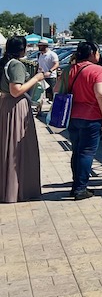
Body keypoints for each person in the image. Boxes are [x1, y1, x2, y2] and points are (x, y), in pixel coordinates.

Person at [0, 36, 45, 202]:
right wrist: (36, 78)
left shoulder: (5, 63)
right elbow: (16, 90)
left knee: (8, 147)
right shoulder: (16, 65)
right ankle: (17, 189)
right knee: (18, 148)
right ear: (22, 48)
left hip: (6, 106)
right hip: (15, 107)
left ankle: (8, 188)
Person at [65, 42, 102, 200]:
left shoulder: (69, 69)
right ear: (92, 53)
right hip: (92, 116)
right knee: (87, 152)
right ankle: (80, 189)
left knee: (76, 151)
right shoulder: (97, 70)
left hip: (72, 116)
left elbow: (57, 90)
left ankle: (76, 185)